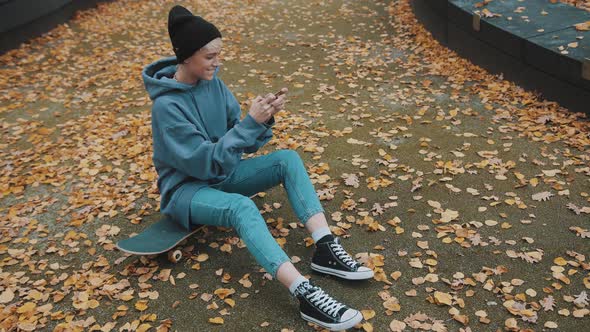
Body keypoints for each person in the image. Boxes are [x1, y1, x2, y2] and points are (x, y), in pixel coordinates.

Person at [141, 5, 374, 331]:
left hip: (220, 175)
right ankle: (305, 293)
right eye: (209, 56)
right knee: (241, 207)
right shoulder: (166, 107)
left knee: (287, 158)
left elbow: (240, 143)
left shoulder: (214, 85)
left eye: (219, 54)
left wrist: (262, 119)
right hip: (187, 191)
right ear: (186, 56)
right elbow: (206, 161)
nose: (217, 62)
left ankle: (325, 247)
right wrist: (249, 124)